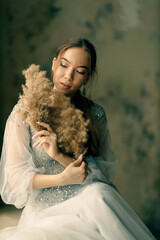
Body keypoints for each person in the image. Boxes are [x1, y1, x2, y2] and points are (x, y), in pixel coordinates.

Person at [0, 38, 156, 240]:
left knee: (98, 194)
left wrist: (59, 156)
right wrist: (62, 179)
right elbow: (15, 180)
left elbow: (102, 176)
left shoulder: (95, 114)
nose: (68, 76)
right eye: (64, 65)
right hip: (45, 212)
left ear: (88, 77)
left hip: (87, 205)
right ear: (54, 63)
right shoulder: (25, 111)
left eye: (80, 71)